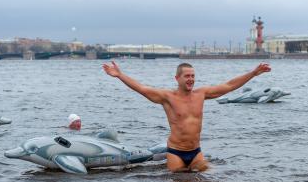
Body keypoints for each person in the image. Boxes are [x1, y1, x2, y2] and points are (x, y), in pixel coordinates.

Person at [103, 61, 271, 172]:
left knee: (208, 179)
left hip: (196, 151)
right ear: (177, 78)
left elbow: (228, 85)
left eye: (193, 76)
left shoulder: (201, 94)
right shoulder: (167, 97)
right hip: (176, 152)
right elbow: (142, 88)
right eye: (187, 76)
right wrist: (120, 75)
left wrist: (253, 73)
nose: (191, 79)